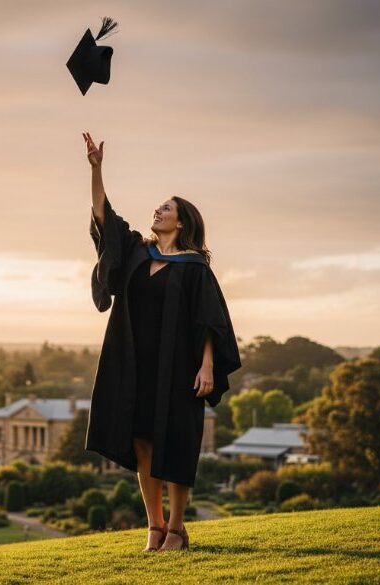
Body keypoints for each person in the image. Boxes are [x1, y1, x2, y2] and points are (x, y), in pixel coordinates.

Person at [82, 131, 242, 552]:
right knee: (141, 442)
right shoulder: (138, 251)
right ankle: (154, 526)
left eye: (166, 208)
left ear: (182, 222)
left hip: (179, 367)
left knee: (175, 442)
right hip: (134, 361)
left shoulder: (195, 269)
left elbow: (209, 320)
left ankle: (176, 527)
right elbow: (104, 219)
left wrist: (207, 365)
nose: (158, 210)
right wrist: (97, 170)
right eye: (159, 206)